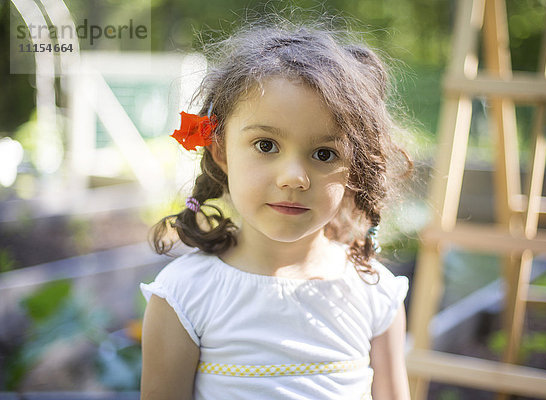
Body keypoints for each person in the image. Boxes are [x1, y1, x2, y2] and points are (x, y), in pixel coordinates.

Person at [140, 19, 413, 400]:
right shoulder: (184, 296)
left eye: (324, 154)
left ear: (356, 168)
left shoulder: (374, 293)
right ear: (220, 151)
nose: (294, 178)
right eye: (266, 145)